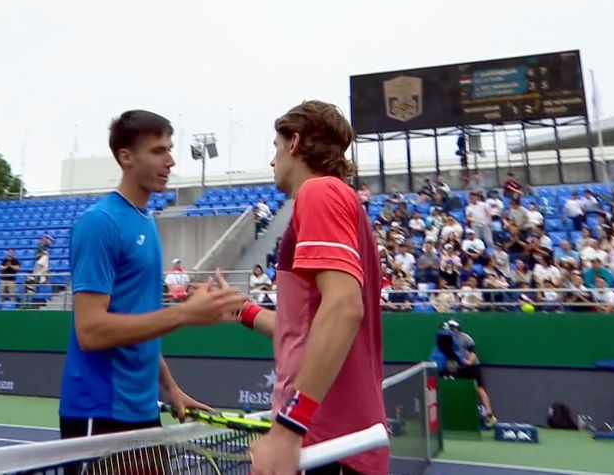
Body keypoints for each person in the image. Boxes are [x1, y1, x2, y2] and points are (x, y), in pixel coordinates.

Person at [59, 110, 244, 443]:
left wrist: (170, 388)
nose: (170, 161)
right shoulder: (99, 223)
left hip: (144, 411)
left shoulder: (146, 222)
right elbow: (90, 331)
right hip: (99, 413)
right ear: (126, 157)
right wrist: (185, 313)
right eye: (158, 151)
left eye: (170, 149)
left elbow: (138, 319)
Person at [234, 101, 388, 475]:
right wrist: (243, 312)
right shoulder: (336, 197)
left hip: (326, 443)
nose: (272, 160)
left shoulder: (319, 192)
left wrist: (289, 427)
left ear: (295, 143)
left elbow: (343, 310)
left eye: (275, 146)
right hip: (333, 441)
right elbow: (305, 327)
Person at [444, 320, 498, 427]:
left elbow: (473, 353)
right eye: (450, 328)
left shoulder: (465, 338)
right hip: (459, 369)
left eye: (453, 327)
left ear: (458, 328)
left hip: (472, 367)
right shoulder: (447, 341)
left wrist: (468, 362)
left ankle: (489, 415)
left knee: (480, 389)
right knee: (458, 391)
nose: (452, 329)